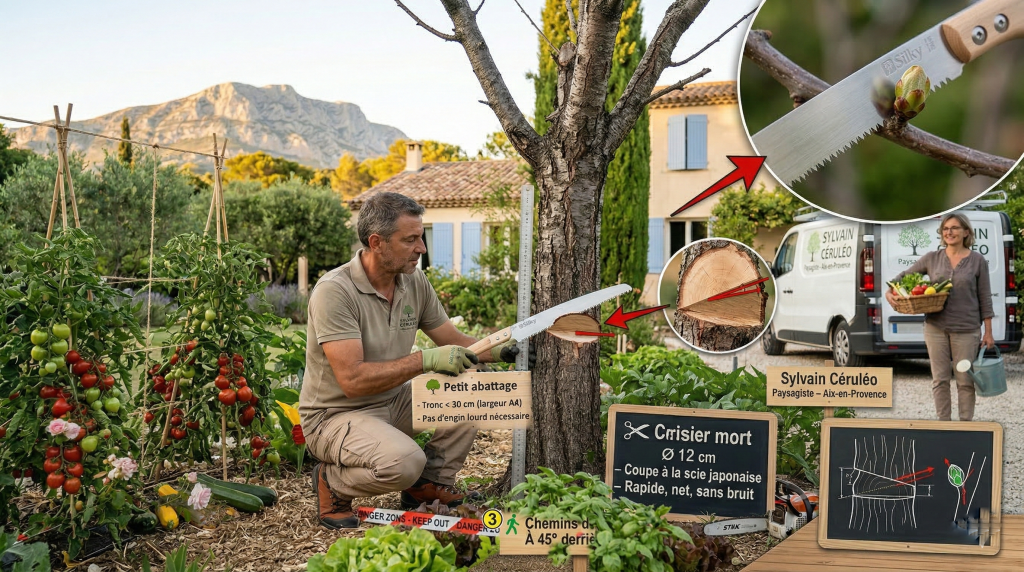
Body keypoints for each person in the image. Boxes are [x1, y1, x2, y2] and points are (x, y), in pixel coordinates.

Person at [299, 192, 519, 529]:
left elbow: (456, 342)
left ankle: (427, 486)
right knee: (404, 463)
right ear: (377, 242)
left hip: (392, 402)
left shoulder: (413, 281)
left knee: (474, 384)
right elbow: (352, 381)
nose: (422, 249)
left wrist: (502, 348)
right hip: (334, 415)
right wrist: (425, 360)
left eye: (422, 237)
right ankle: (332, 481)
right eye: (411, 239)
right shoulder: (335, 292)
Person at [885, 213, 995, 422]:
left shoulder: (977, 261)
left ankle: (965, 426)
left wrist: (988, 332)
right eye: (946, 229)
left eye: (954, 228)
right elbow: (899, 279)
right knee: (940, 380)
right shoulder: (931, 258)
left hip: (967, 329)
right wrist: (889, 292)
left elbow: (985, 297)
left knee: (965, 380)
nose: (949, 232)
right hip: (936, 328)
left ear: (966, 232)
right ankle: (944, 425)